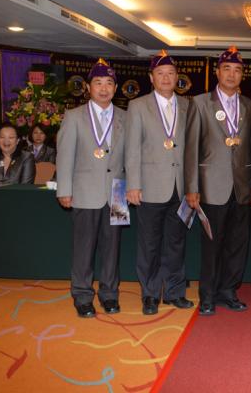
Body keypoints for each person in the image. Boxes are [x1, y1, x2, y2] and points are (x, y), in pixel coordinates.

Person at [185, 46, 251, 316]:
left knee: (237, 245)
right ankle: (207, 295)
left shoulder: (249, 106)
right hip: (210, 187)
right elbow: (191, 149)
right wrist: (192, 187)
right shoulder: (200, 103)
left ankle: (228, 291)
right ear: (217, 72)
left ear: (242, 75)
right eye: (227, 69)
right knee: (212, 245)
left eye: (237, 70)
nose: (232, 74)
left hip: (241, 188)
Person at [56, 58, 126, 318]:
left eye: (109, 83)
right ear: (88, 87)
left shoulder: (126, 117)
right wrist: (64, 189)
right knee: (84, 247)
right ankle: (83, 296)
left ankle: (109, 294)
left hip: (117, 192)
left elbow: (131, 157)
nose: (104, 88)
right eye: (98, 83)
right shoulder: (74, 117)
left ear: (115, 88)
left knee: (112, 248)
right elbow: (64, 155)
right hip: (84, 191)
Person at [126, 50, 193, 315]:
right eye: (160, 74)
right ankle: (151, 294)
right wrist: (133, 184)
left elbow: (193, 149)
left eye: (170, 73)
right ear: (151, 77)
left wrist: (193, 186)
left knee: (176, 243)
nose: (166, 78)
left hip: (180, 187)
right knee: (150, 244)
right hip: (150, 187)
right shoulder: (138, 106)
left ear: (177, 77)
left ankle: (175, 292)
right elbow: (132, 148)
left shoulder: (188, 106)